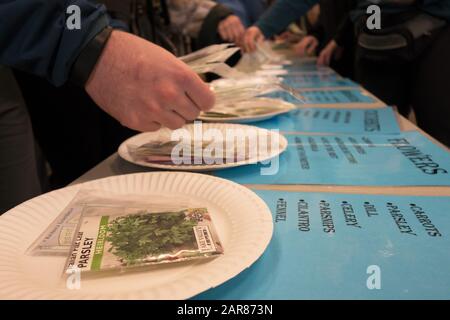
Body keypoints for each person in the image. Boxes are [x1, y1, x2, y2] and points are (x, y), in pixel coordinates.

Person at [0, 0, 215, 212]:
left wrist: (103, 35)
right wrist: (91, 45)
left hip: (91, 39)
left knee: (125, 185)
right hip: (59, 58)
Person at [241, 0, 450, 147]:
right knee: (373, 132)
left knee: (439, 133)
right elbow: (366, 11)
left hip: (434, 28)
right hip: (374, 39)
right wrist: (263, 27)